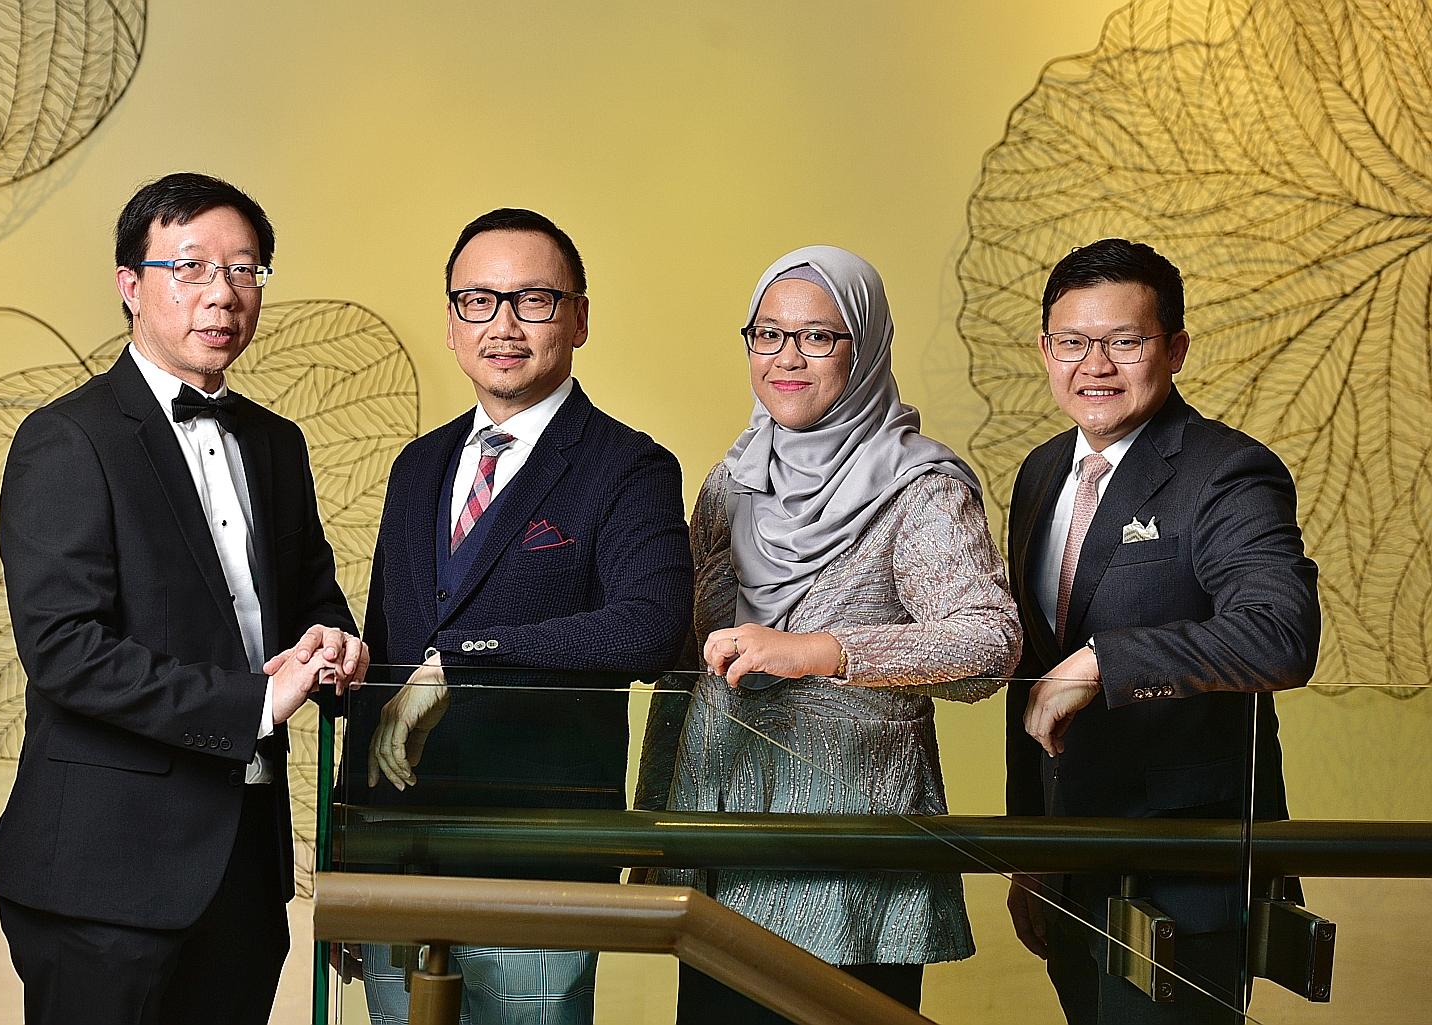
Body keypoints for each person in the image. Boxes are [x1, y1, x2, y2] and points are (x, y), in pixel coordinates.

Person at [0, 172, 367, 1025]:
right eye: (191, 268)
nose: (222, 295)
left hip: (245, 862)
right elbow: (64, 649)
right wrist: (258, 699)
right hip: (103, 873)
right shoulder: (66, 437)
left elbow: (313, 594)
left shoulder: (276, 441)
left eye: (244, 271)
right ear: (131, 285)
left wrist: (334, 641)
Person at [649, 245, 1022, 1024]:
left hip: (850, 864)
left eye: (818, 337)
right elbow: (688, 666)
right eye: (767, 334)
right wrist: (661, 835)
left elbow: (988, 644)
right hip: (723, 853)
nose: (787, 357)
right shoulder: (733, 481)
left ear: (867, 346)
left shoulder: (919, 487)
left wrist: (823, 650)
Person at [354, 207, 692, 1024]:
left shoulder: (630, 465)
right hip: (400, 862)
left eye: (533, 299)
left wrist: (465, 658)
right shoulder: (419, 463)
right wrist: (351, 856)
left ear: (578, 317)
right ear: (451, 321)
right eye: (478, 300)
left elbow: (648, 627)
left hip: (539, 860)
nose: (503, 324)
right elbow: (384, 649)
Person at [1003, 238, 1321, 1024]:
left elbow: (1280, 633)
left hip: (1189, 882)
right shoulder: (1042, 471)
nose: (1095, 365)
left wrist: (1105, 661)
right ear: (1046, 349)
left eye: (1126, 341)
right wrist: (1031, 851)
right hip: (1072, 868)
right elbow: (1032, 668)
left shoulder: (1227, 471)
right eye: (1072, 342)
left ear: (1175, 348)